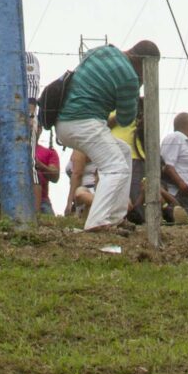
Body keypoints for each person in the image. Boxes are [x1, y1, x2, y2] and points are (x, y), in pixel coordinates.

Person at [53, 41, 157, 234]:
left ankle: (116, 217)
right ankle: (97, 223)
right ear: (143, 64)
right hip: (83, 121)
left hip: (64, 120)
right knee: (116, 167)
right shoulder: (130, 78)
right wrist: (135, 90)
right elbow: (126, 119)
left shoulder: (103, 51)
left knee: (123, 152)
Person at [158, 112, 188, 222]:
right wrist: (182, 186)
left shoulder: (186, 143)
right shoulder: (175, 137)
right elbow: (167, 166)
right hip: (180, 194)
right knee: (181, 222)